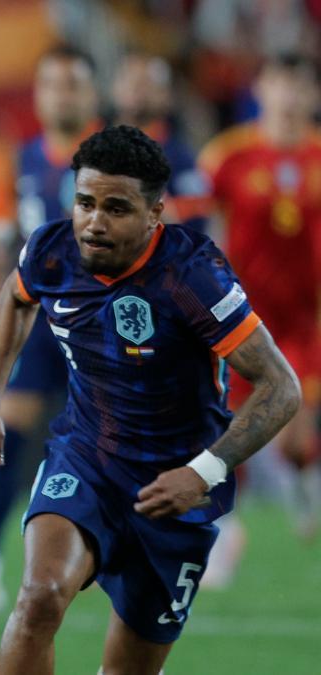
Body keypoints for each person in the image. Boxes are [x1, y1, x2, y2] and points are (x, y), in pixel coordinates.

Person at [0, 124, 300, 674]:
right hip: (87, 460)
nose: (94, 221)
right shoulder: (53, 249)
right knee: (39, 596)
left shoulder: (192, 276)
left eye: (116, 208)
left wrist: (204, 472)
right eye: (85, 202)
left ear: (155, 213)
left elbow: (282, 386)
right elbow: (16, 298)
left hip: (175, 489)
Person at [0, 43, 99, 618]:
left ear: (91, 93)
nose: (63, 94)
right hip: (43, 320)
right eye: (52, 85)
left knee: (120, 442)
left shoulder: (109, 155)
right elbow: (22, 219)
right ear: (38, 95)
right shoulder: (29, 156)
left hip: (104, 327)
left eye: (73, 84)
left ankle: (134, 560)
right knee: (7, 431)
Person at [197, 52, 321, 586]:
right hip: (244, 316)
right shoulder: (228, 156)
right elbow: (199, 224)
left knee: (295, 433)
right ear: (262, 90)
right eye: (281, 84)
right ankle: (225, 529)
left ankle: (302, 480)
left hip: (307, 318)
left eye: (300, 86)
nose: (290, 96)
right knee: (227, 426)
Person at [110, 51, 209, 232]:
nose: (136, 89)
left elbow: (195, 223)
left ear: (166, 95)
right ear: (115, 88)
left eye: (146, 83)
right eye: (130, 80)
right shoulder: (95, 150)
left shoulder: (181, 160)